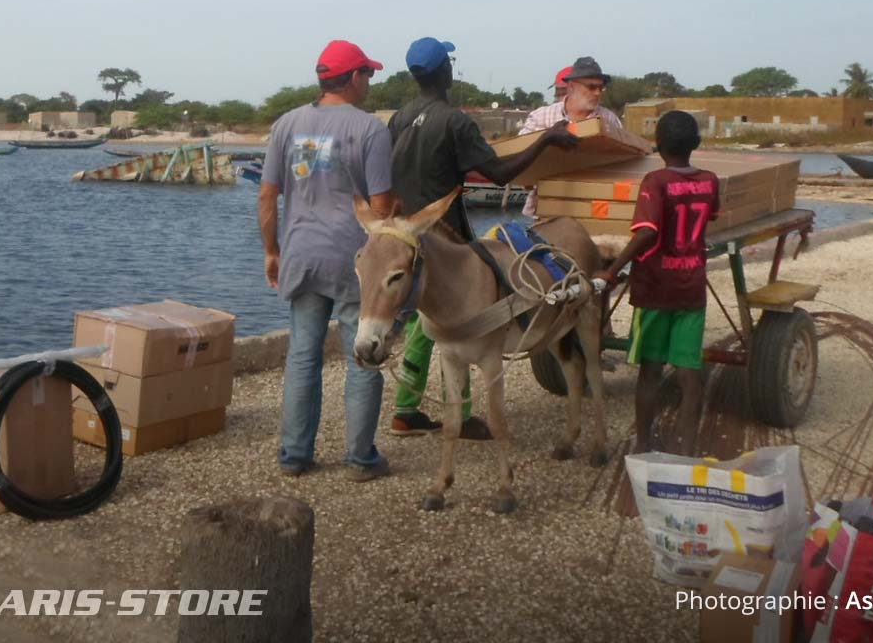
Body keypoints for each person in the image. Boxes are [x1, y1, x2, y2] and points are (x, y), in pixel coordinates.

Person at [387, 37, 579, 438]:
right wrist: (546, 140)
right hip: (445, 238)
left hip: (406, 233)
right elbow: (500, 174)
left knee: (422, 319)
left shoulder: (401, 117)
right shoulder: (454, 120)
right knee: (459, 323)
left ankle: (407, 407)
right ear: (446, 71)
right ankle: (465, 413)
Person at [260, 39, 396, 482]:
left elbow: (267, 196)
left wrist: (271, 249)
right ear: (353, 77)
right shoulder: (371, 129)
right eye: (368, 75)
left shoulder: (286, 124)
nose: (370, 84)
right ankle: (360, 460)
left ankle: (294, 455)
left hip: (301, 253)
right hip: (354, 259)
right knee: (363, 356)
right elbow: (381, 206)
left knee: (302, 355)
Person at [593, 111, 718, 456]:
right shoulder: (710, 180)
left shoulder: (655, 181)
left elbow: (647, 232)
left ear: (657, 146)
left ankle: (645, 445)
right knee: (688, 371)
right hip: (691, 285)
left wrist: (613, 268)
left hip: (655, 288)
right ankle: (686, 448)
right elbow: (711, 217)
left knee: (650, 369)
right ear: (696, 144)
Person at [519, 56, 625, 217]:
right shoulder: (540, 117)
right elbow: (519, 159)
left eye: (600, 88)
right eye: (591, 87)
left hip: (592, 210)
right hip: (544, 211)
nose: (597, 93)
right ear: (571, 87)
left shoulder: (609, 120)